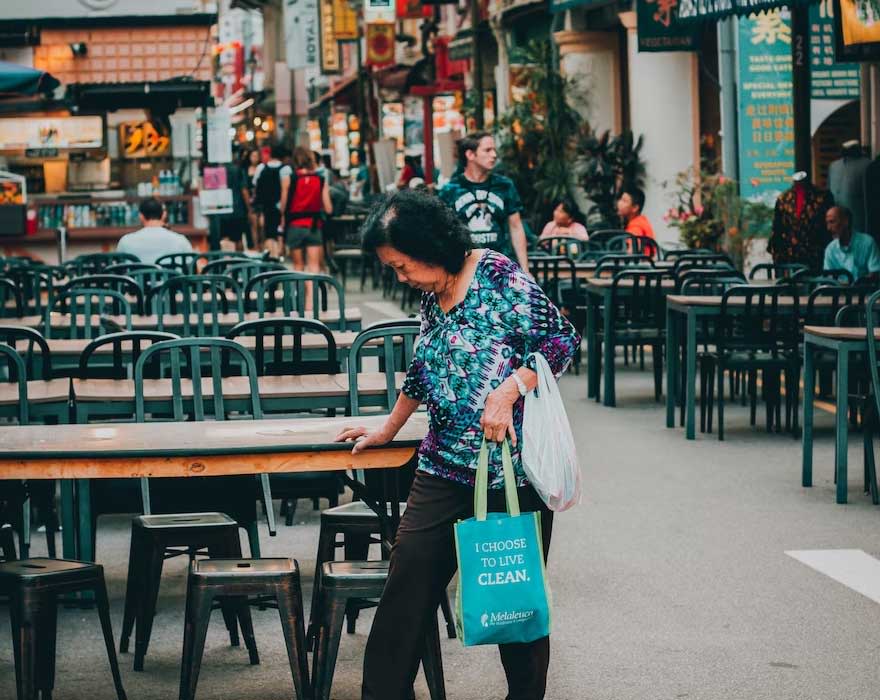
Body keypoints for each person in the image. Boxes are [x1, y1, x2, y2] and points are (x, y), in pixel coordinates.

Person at [335, 189, 579, 700]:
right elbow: (423, 370)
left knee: (515, 599)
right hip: (442, 467)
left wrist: (510, 389)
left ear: (431, 246)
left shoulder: (498, 276)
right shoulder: (433, 294)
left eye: (403, 266)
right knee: (407, 588)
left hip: (510, 473)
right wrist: (388, 428)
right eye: (393, 270)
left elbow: (562, 340)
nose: (401, 278)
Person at [438, 132, 530, 271]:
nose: (494, 155)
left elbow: (516, 227)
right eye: (487, 150)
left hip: (501, 266)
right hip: (465, 268)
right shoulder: (450, 190)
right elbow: (442, 231)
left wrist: (525, 270)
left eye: (494, 150)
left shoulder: (504, 186)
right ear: (470, 155)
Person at [280, 146, 332, 275]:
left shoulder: (289, 179)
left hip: (295, 225)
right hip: (314, 226)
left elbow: (283, 206)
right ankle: (312, 295)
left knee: (298, 266)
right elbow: (329, 209)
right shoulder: (321, 180)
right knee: (314, 267)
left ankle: (302, 295)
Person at [117, 198, 192, 265]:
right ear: (163, 215)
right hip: (170, 280)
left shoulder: (126, 241)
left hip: (137, 281)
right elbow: (192, 267)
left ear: (141, 216)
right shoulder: (180, 240)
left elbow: (117, 269)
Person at [823, 205, 880, 281]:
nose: (828, 228)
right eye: (827, 223)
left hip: (864, 291)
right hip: (838, 291)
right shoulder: (830, 249)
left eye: (832, 222)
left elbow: (875, 273)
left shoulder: (867, 243)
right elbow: (828, 279)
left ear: (846, 221)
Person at [253, 144, 288, 256]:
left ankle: (270, 256)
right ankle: (277, 255)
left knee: (268, 234)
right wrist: (283, 209)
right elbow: (285, 190)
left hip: (264, 207)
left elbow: (255, 186)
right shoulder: (285, 169)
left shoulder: (261, 168)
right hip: (279, 206)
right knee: (279, 233)